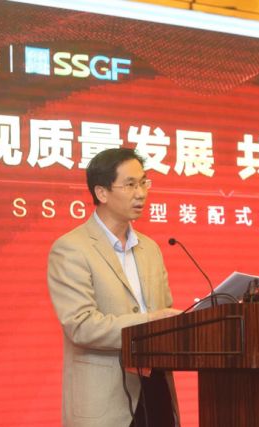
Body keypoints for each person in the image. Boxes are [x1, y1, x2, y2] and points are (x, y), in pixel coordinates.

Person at [48, 148, 181, 427]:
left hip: (156, 391)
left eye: (144, 183)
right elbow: (81, 326)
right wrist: (149, 322)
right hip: (106, 403)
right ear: (102, 192)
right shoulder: (72, 248)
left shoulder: (150, 249)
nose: (141, 193)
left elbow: (165, 312)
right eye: (130, 184)